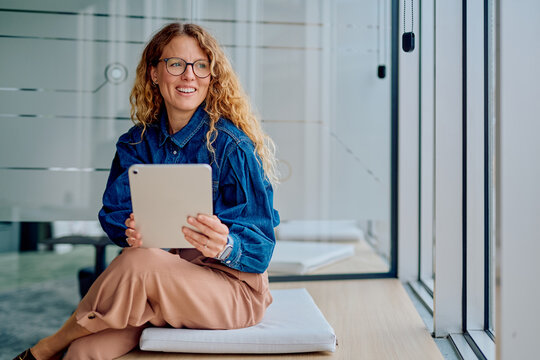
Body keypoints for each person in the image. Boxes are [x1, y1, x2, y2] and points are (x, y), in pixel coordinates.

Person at [14, 22, 279, 360]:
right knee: (84, 351)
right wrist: (129, 230)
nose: (189, 76)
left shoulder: (232, 147)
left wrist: (226, 244)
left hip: (229, 289)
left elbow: (260, 249)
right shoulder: (135, 143)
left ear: (212, 76)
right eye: (176, 64)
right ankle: (68, 342)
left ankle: (48, 345)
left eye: (201, 66)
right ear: (155, 73)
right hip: (157, 281)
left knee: (139, 261)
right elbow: (114, 214)